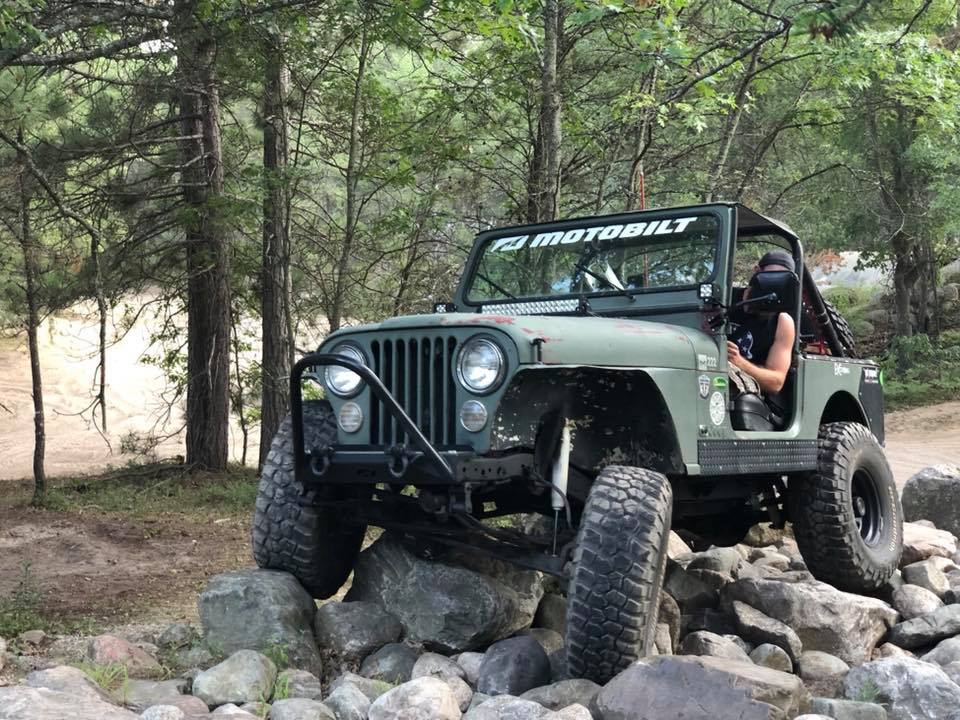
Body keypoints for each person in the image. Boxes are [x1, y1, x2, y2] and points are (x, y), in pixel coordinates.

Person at [727, 251, 797, 415]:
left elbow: (776, 382)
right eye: (770, 276)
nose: (774, 284)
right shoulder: (725, 300)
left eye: (781, 279)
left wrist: (738, 361)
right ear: (757, 271)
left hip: (755, 393)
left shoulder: (782, 321)